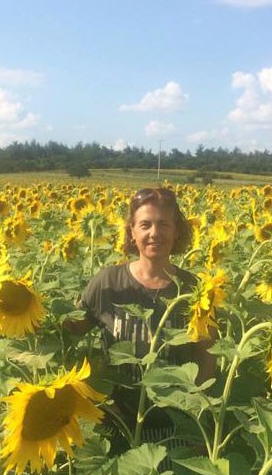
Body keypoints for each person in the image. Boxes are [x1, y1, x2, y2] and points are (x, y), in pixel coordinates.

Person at [65, 186, 215, 439]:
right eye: (145, 225)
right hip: (113, 428)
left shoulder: (194, 289)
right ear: (132, 232)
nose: (154, 233)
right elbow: (71, 332)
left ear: (177, 231)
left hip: (174, 431)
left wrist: (196, 416)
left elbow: (206, 357)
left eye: (163, 224)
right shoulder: (108, 283)